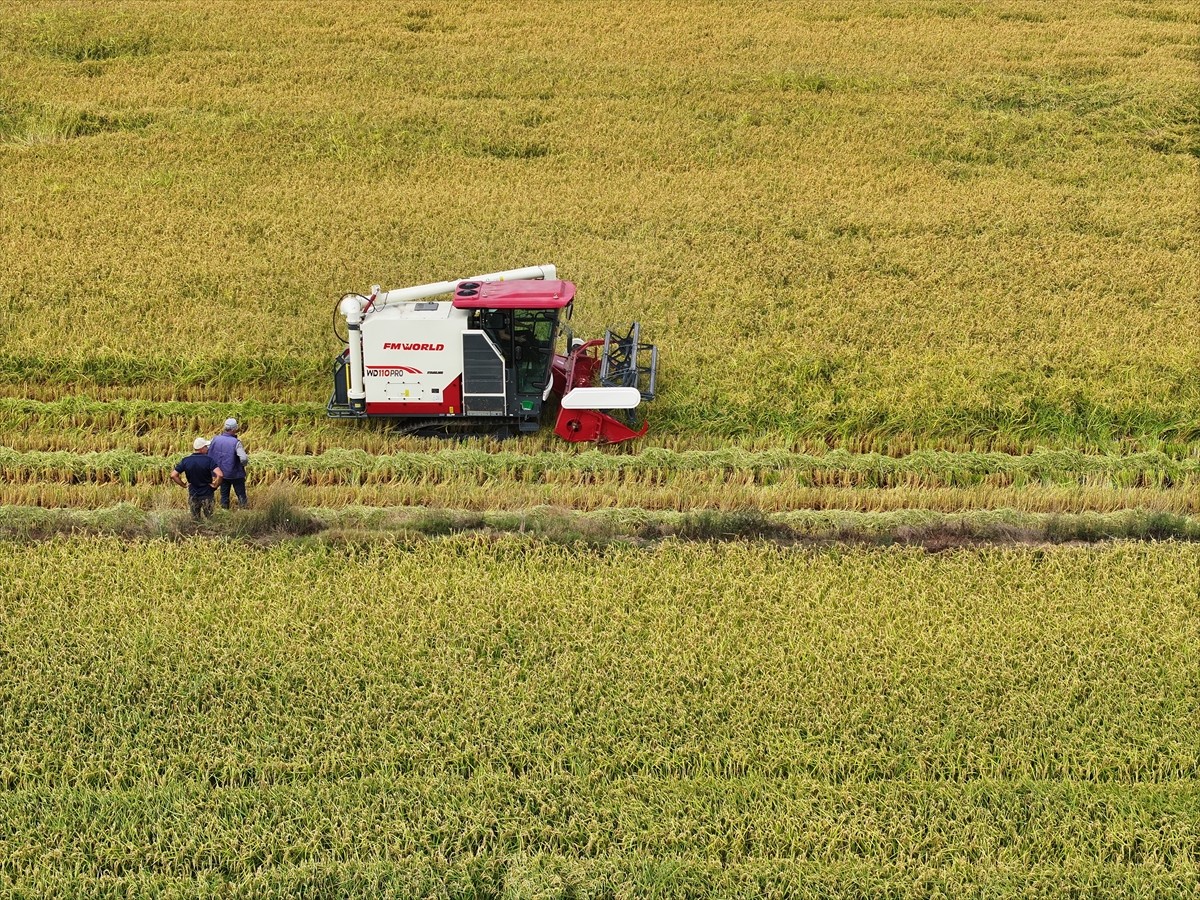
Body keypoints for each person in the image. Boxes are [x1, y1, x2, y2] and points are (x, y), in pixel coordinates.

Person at [171, 437, 224, 519]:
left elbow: (173, 475)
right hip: (207, 493)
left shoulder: (186, 460)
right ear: (201, 448)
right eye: (206, 447)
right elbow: (220, 474)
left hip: (193, 493)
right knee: (210, 518)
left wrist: (183, 485)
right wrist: (216, 485)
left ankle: (196, 531)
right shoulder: (209, 460)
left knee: (195, 518)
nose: (207, 448)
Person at [209, 417, 250, 509]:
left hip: (221, 474)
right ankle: (244, 512)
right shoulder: (236, 442)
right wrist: (243, 465)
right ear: (234, 429)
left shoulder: (215, 439)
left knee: (224, 495)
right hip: (235, 474)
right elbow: (243, 459)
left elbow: (207, 449)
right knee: (241, 495)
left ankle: (225, 512)